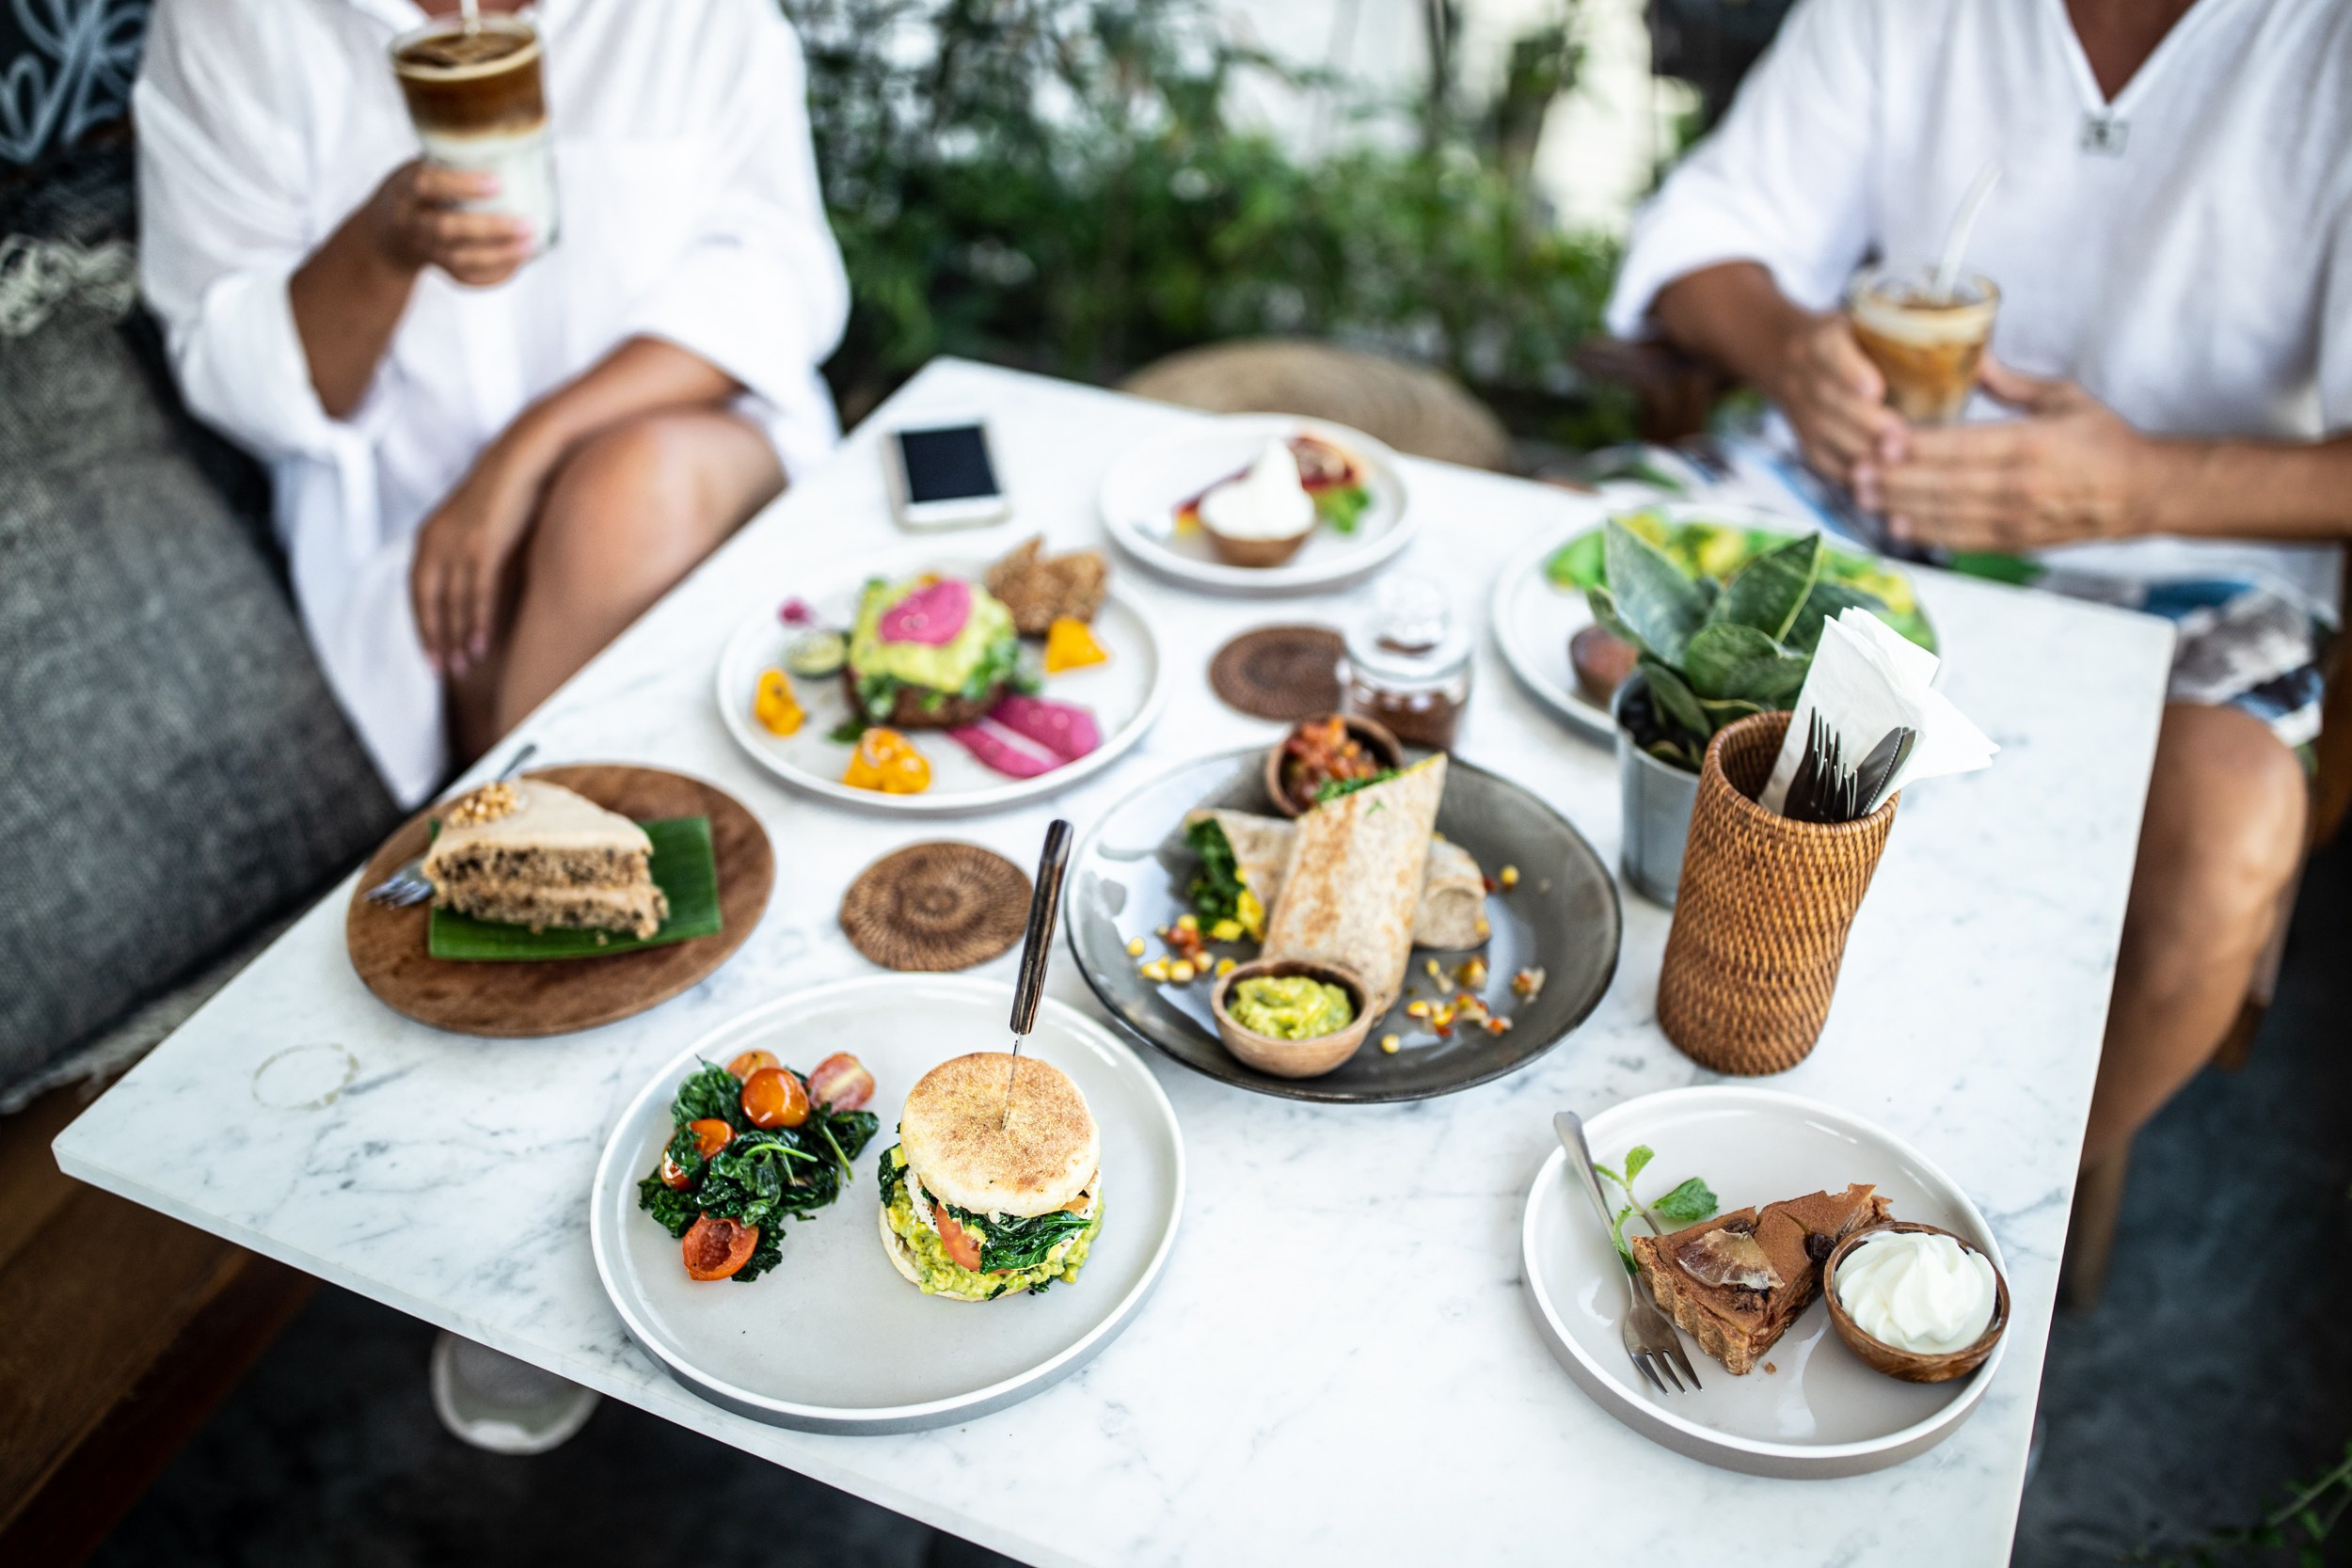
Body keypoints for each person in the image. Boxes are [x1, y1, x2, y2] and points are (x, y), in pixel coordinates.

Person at [1607, 0, 2351, 1173]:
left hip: (2189, 545)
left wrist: (2144, 489)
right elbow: (1703, 243)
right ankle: (1611, 1030)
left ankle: (2027, 1193)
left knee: (2227, 825)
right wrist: (1791, 350)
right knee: (1603, 616)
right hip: (1858, 484)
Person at [136, 0, 850, 806]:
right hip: (423, 571)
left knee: (625, 493)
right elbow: (232, 380)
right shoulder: (231, 23)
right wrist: (380, 249)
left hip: (695, 477)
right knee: (479, 621)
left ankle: (534, 857)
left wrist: (528, 449)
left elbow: (780, 278)